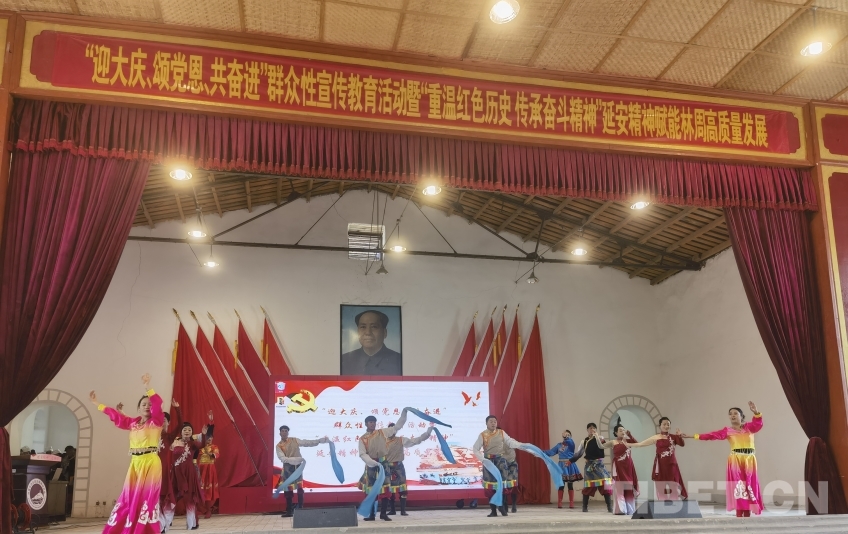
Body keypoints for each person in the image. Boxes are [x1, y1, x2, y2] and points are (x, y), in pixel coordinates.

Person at [90, 373, 163, 534]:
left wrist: (147, 387)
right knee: (129, 497)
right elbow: (116, 417)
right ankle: (127, 528)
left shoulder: (156, 421)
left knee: (147, 499)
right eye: (144, 404)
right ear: (139, 408)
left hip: (150, 463)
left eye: (149, 404)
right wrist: (98, 404)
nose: (147, 406)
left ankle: (144, 530)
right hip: (135, 464)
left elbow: (158, 403)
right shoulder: (133, 423)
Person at [682, 401, 764, 517]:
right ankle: (739, 512)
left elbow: (758, 425)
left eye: (735, 413)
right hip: (735, 461)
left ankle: (748, 511)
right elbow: (711, 435)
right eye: (730, 414)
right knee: (738, 486)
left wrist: (756, 412)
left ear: (741, 416)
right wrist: (692, 436)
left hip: (750, 460)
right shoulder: (727, 431)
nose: (732, 415)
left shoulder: (749, 427)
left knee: (750, 485)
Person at [358, 409, 409, 521]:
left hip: (384, 464)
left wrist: (404, 413)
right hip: (371, 465)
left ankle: (383, 514)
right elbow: (362, 454)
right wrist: (372, 462)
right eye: (370, 422)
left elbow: (397, 427)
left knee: (385, 489)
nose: (372, 424)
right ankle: (371, 515)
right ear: (366, 424)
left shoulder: (382, 433)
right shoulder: (363, 439)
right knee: (371, 490)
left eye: (374, 422)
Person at [470, 415, 525, 518]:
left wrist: (521, 445)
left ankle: (502, 506)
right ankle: (493, 511)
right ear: (486, 423)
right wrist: (483, 460)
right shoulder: (482, 435)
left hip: (500, 461)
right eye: (491, 421)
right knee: (489, 487)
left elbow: (510, 442)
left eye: (495, 421)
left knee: (502, 485)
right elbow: (475, 448)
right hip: (489, 462)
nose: (493, 423)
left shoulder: (502, 433)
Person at [162, 421, 208, 531]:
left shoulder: (193, 444)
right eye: (185, 430)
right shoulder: (174, 442)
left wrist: (203, 434)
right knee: (171, 499)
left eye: (189, 430)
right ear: (181, 432)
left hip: (189, 475)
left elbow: (203, 445)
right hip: (176, 475)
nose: (187, 431)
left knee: (190, 499)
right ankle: (164, 524)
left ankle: (192, 524)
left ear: (192, 432)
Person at [275, 426, 330, 517]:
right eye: (282, 431)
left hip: (297, 468)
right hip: (288, 469)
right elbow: (283, 458)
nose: (284, 432)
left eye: (286, 431)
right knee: (288, 489)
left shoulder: (294, 440)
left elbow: (306, 442)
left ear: (288, 432)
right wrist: (297, 459)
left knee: (299, 488)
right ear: (280, 433)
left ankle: (301, 508)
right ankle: (289, 511)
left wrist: (319, 441)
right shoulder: (279, 446)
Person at [631, 416, 687, 501]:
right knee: (661, 487)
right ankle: (662, 505)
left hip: (672, 465)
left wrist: (679, 436)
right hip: (660, 465)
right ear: (660, 426)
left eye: (668, 424)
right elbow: (641, 444)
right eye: (664, 424)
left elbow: (682, 444)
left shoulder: (674, 437)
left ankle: (674, 505)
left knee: (674, 487)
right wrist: (628, 444)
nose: (666, 426)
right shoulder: (656, 437)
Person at [385, 423, 434, 516]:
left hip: (399, 468)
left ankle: (403, 510)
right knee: (390, 490)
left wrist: (428, 432)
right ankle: (392, 510)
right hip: (388, 468)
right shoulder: (383, 442)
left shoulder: (401, 440)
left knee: (403, 489)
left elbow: (416, 440)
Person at [565, 423, 613, 513]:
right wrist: (570, 461)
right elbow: (579, 453)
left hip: (599, 465)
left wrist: (597, 437)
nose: (592, 430)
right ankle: (584, 507)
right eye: (590, 428)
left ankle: (609, 507)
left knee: (605, 485)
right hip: (589, 466)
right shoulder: (584, 441)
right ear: (587, 430)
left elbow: (603, 446)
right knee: (588, 487)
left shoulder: (601, 438)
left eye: (594, 428)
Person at [341, 310, 402, 375]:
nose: (368, 333)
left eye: (374, 327)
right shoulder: (344, 360)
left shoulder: (399, 360)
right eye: (363, 327)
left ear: (384, 333)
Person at [600, 425, 639, 515]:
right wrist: (599, 438)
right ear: (616, 432)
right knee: (619, 487)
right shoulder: (613, 442)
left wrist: (630, 435)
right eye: (620, 430)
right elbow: (601, 446)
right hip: (618, 468)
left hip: (628, 467)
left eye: (623, 430)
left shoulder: (628, 441)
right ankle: (620, 510)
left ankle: (630, 510)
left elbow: (637, 444)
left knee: (628, 488)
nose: (622, 432)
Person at [546, 429, 583, 508]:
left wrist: (567, 437)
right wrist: (541, 452)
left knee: (570, 484)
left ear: (570, 436)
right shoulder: (559, 445)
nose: (566, 435)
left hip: (569, 465)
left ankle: (571, 502)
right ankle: (559, 502)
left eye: (568, 434)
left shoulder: (571, 444)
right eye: (565, 434)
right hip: (561, 466)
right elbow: (551, 452)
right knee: (561, 484)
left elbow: (569, 441)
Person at [198, 412, 218, 519]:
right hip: (201, 470)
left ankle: (209, 509)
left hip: (210, 470)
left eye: (211, 439)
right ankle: (201, 509)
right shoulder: (201, 447)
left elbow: (216, 455)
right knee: (200, 489)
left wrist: (211, 421)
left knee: (209, 490)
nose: (209, 440)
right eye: (207, 439)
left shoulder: (214, 447)